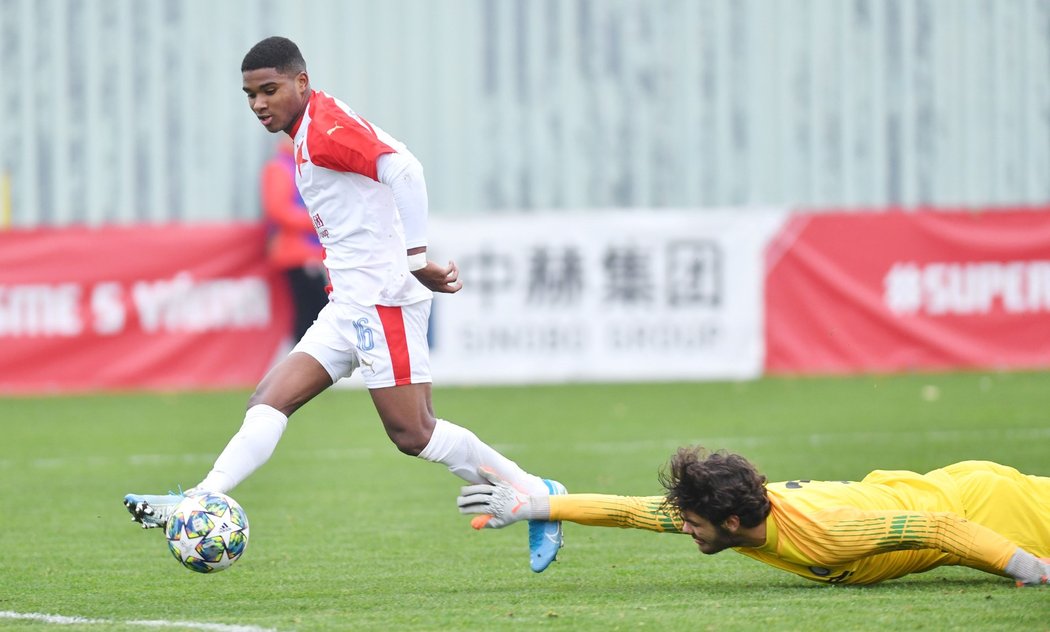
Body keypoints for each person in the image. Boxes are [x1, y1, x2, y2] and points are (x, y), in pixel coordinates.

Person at [124, 36, 566, 573]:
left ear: (301, 83)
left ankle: (537, 495)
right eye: (250, 95)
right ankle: (200, 497)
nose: (259, 104)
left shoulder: (327, 128)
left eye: (269, 90)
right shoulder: (309, 130)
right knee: (269, 399)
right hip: (349, 304)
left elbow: (405, 170)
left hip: (383, 300)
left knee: (414, 432)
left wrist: (416, 259)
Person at [458, 447, 1050, 585]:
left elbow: (943, 530)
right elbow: (634, 512)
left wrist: (1032, 567)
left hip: (995, 509)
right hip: (932, 488)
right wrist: (532, 504)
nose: (679, 526)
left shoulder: (825, 536)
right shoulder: (728, 517)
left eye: (689, 522)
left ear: (732, 523)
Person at [260, 134, 329, 344]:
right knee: (311, 311)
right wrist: (316, 222)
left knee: (313, 310)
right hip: (296, 252)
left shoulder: (303, 169)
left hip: (309, 251)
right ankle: (303, 367)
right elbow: (278, 210)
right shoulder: (280, 168)